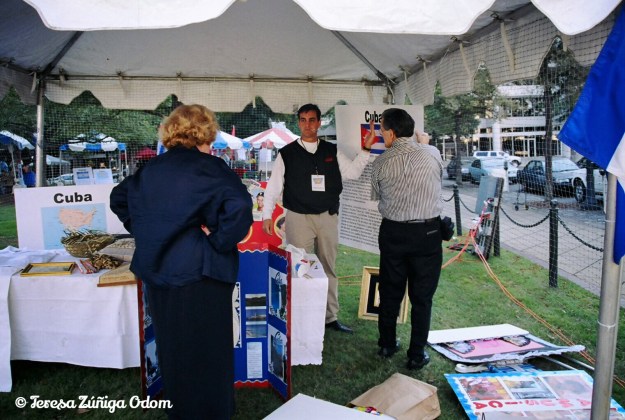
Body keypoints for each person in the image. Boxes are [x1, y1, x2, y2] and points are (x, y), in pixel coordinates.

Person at [110, 104, 253, 419]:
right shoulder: (210, 168)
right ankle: (213, 412)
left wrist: (146, 228)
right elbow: (241, 208)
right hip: (200, 275)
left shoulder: (150, 168)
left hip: (159, 274)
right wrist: (217, 240)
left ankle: (182, 411)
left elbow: (119, 198)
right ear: (206, 132)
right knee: (209, 351)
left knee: (173, 350)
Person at [262, 103, 376, 334]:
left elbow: (352, 173)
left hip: (327, 217)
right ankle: (300, 317)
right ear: (298, 123)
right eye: (303, 120)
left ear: (319, 122)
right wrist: (266, 215)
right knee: (299, 268)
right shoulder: (286, 153)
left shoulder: (331, 150)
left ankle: (329, 317)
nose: (307, 125)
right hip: (298, 218)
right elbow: (273, 187)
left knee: (327, 267)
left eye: (312, 120)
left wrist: (366, 149)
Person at [370, 108, 444, 370]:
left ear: (391, 133)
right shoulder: (432, 153)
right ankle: (416, 354)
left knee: (390, 291)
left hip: (394, 232)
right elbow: (438, 177)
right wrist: (424, 145)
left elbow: (378, 195)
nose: (381, 135)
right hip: (427, 234)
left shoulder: (380, 162)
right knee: (422, 297)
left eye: (382, 130)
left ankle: (387, 343)